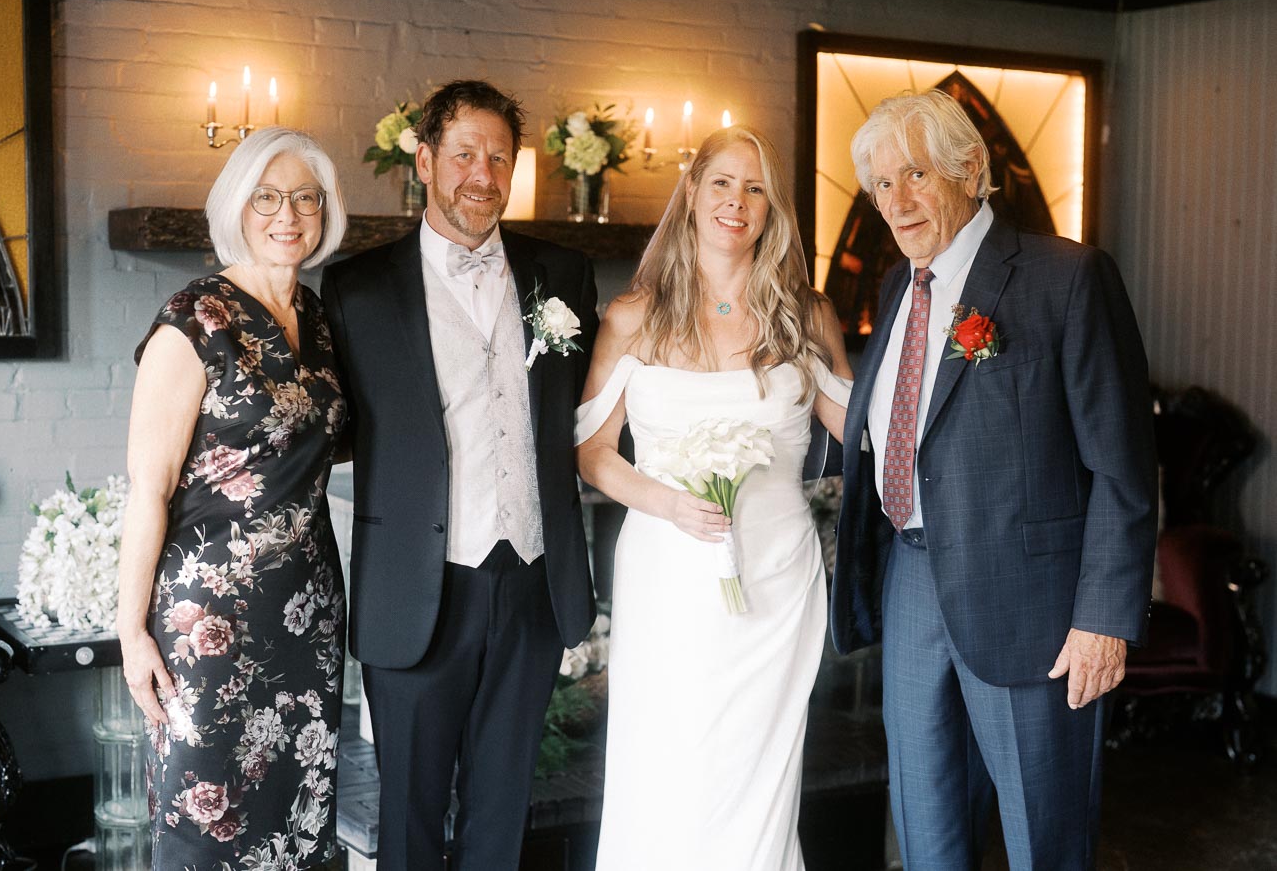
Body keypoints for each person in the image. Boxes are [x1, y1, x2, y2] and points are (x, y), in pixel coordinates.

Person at [831, 89, 1156, 869]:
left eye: (914, 174)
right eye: (880, 185)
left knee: (1043, 835)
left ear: (970, 168)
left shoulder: (1067, 277)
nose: (896, 201)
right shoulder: (892, 291)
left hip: (1035, 608)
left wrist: (1104, 619)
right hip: (910, 582)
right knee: (924, 823)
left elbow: (1123, 466)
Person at [320, 79, 599, 871]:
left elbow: (597, 409)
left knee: (502, 811)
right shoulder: (356, 287)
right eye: (466, 153)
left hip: (533, 582)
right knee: (406, 818)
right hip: (416, 585)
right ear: (425, 158)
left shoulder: (562, 276)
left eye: (500, 156)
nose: (484, 173)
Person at [575, 125, 853, 871]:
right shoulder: (634, 316)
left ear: (772, 209)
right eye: (722, 182)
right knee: (670, 755)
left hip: (775, 574)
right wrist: (666, 503)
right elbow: (594, 454)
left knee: (758, 769)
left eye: (755, 187)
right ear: (692, 192)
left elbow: (863, 435)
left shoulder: (807, 316)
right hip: (669, 570)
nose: (737, 201)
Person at [116, 127, 350, 867]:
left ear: (326, 211)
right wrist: (130, 632)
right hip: (206, 621)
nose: (288, 215)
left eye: (305, 198)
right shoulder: (194, 319)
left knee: (299, 815)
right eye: (267, 197)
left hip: (307, 609)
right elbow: (148, 489)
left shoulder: (318, 318)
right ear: (236, 208)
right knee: (205, 817)